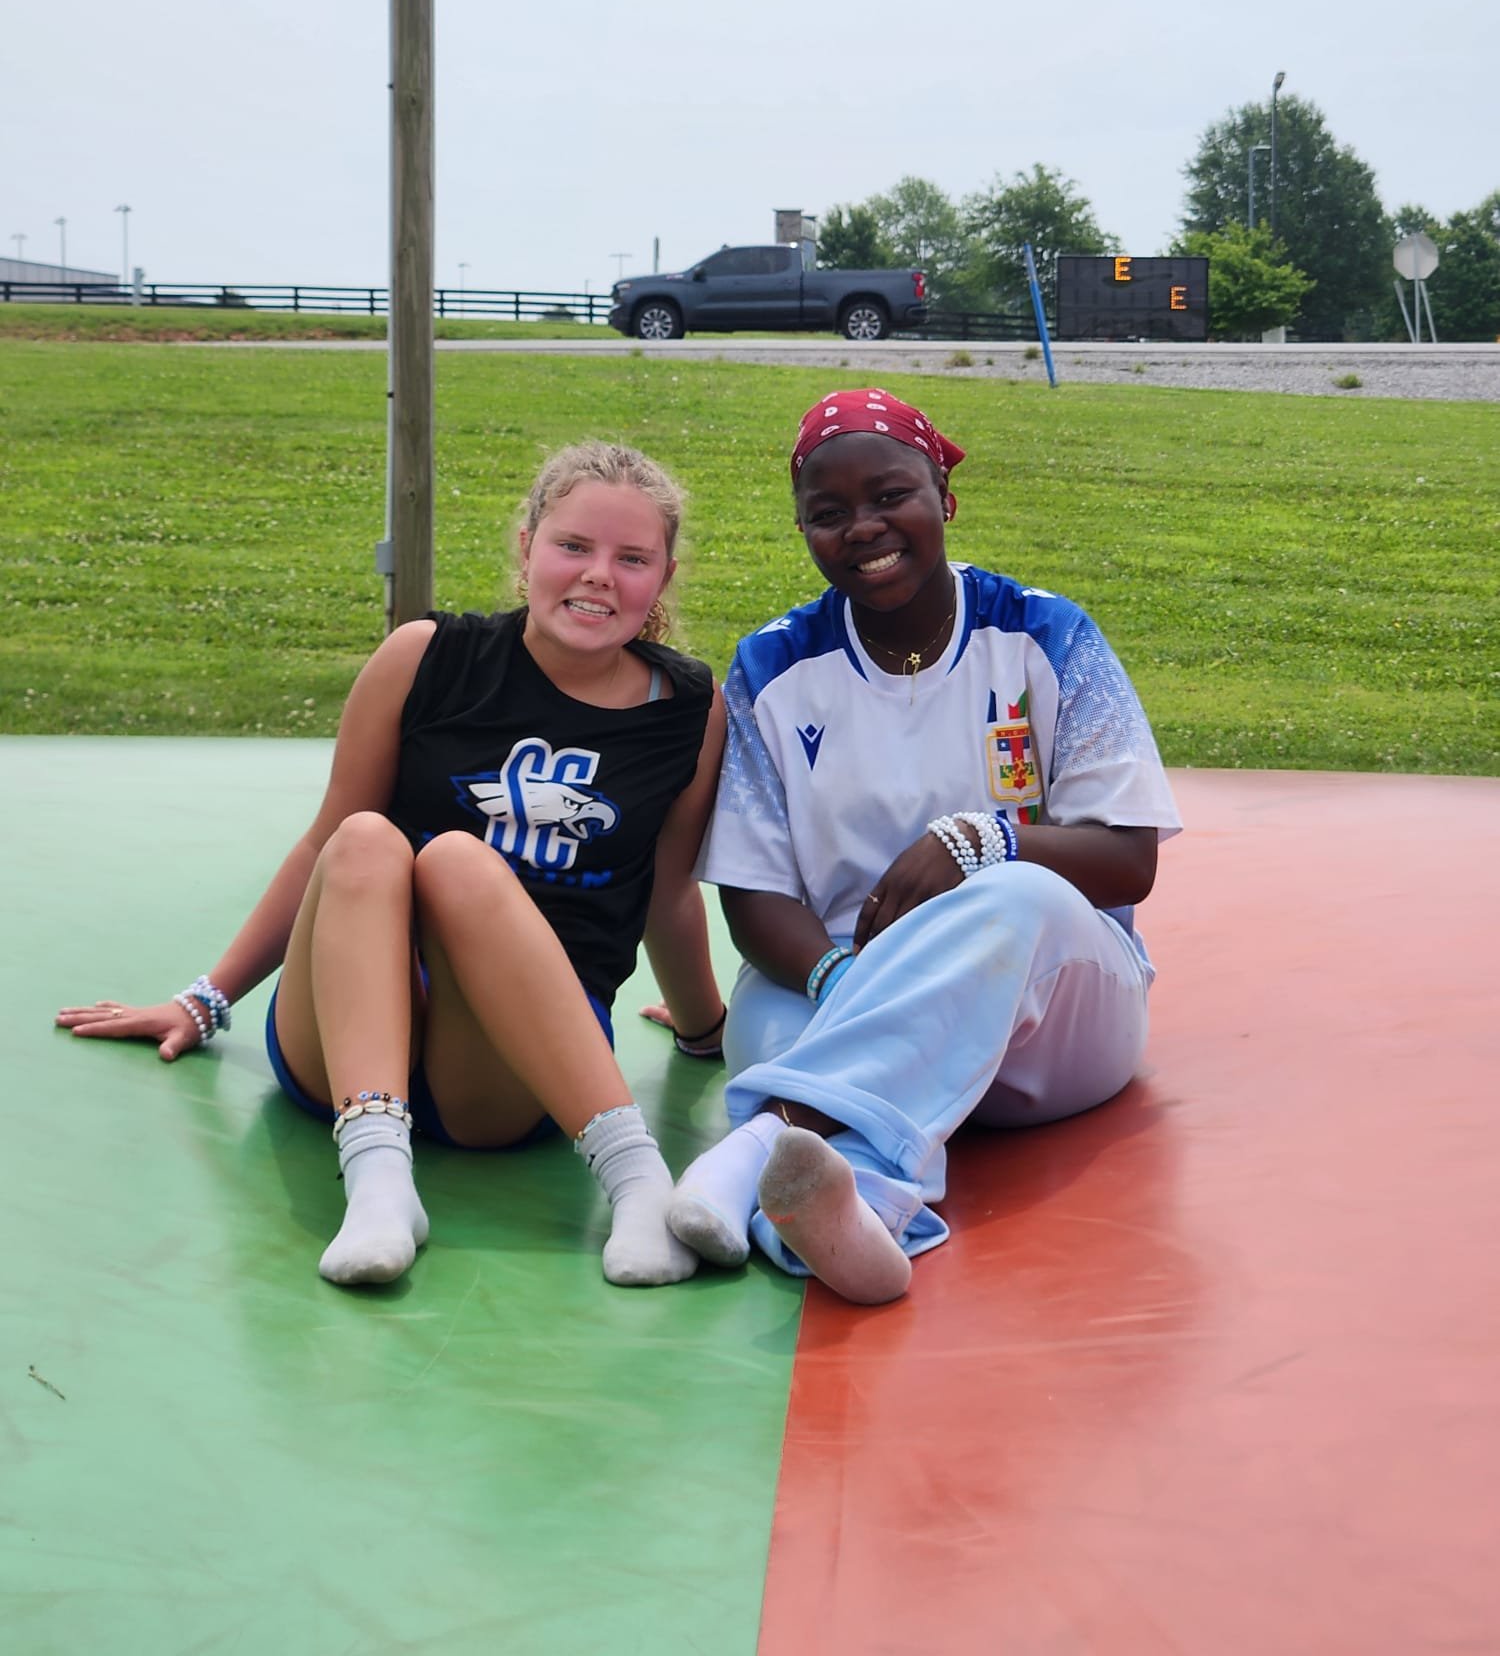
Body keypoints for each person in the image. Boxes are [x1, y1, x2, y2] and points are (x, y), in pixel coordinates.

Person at [57, 442, 727, 1290]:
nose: (599, 576)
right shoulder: (427, 659)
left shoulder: (689, 711)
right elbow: (324, 847)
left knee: (458, 861)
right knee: (372, 839)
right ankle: (379, 1185)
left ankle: (636, 1181)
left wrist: (708, 1031)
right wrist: (205, 998)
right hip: (345, 1041)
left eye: (632, 559)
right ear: (526, 548)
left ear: (662, 578)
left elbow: (669, 892)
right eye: (573, 547)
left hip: (515, 1071)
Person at [664, 387, 1181, 1305]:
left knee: (1015, 896)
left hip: (1053, 1018)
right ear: (803, 530)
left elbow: (1128, 860)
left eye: (890, 494)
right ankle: (851, 1223)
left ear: (943, 496)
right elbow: (752, 896)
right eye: (827, 514)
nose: (862, 527)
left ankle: (748, 1148)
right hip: (829, 990)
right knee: (780, 1041)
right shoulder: (772, 667)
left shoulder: (1047, 635)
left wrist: (987, 839)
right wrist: (837, 977)